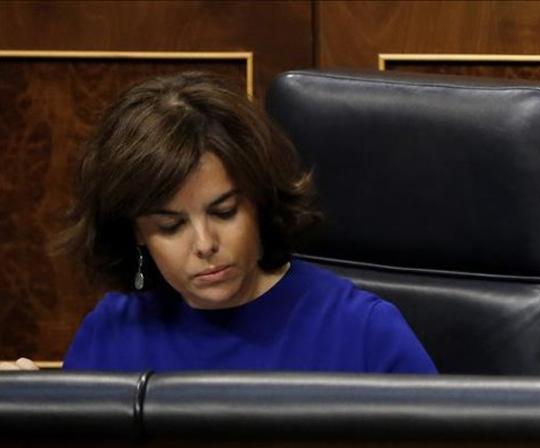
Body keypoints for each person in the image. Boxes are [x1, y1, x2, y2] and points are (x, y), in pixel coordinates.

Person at [1, 72, 436, 373]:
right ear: (137, 232)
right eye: (171, 226)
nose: (204, 243)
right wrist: (28, 425)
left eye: (224, 212)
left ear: (259, 203)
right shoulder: (111, 333)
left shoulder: (364, 332)